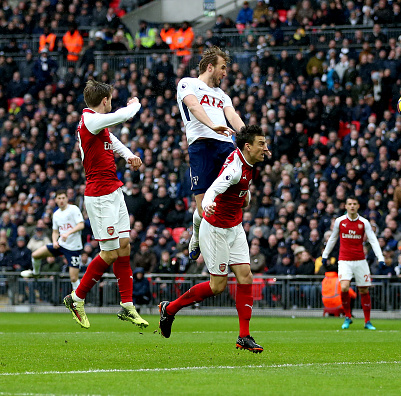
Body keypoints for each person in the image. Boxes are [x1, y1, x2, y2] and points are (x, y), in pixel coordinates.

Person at [158, 125, 268, 353]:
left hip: (234, 226)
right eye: (261, 144)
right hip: (216, 228)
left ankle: (244, 336)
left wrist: (243, 196)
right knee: (217, 286)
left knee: (246, 276)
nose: (265, 148)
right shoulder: (235, 169)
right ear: (248, 147)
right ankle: (170, 309)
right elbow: (214, 189)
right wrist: (207, 202)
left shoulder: (247, 162)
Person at [63, 80, 148, 330]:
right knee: (109, 253)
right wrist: (136, 104)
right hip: (99, 195)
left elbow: (113, 141)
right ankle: (76, 298)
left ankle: (127, 305)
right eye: (110, 99)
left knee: (124, 245)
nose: (111, 103)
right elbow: (123, 116)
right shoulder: (90, 120)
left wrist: (129, 155)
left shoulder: (99, 125)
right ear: (105, 101)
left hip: (113, 190)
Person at [176, 46, 245, 262]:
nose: (225, 73)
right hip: (201, 146)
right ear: (210, 66)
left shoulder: (222, 95)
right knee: (205, 206)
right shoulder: (188, 83)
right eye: (222, 68)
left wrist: (249, 138)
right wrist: (212, 125)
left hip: (225, 145)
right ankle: (196, 235)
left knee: (241, 195)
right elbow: (194, 107)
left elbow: (232, 116)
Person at [321, 197, 385, 330]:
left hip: (361, 261)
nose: (352, 206)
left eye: (354, 204)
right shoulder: (340, 221)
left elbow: (373, 240)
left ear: (358, 206)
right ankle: (347, 317)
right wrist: (325, 255)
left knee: (363, 290)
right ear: (345, 206)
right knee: (344, 287)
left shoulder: (364, 222)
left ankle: (367, 321)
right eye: (349, 204)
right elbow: (333, 238)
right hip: (344, 260)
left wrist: (380, 257)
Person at [21, 190, 85, 292]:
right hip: (61, 244)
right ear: (55, 200)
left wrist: (68, 233)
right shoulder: (56, 214)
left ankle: (78, 300)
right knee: (35, 255)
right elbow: (55, 231)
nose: (61, 200)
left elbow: (81, 225)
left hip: (73, 248)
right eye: (59, 198)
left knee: (73, 278)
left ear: (67, 199)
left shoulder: (73, 209)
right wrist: (55, 241)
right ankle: (36, 273)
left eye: (63, 198)